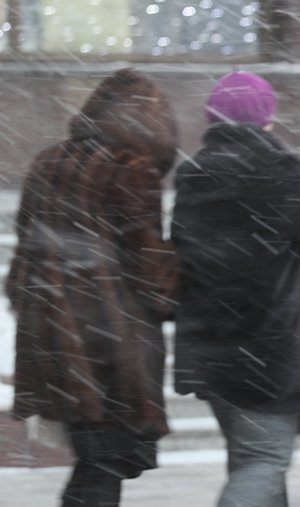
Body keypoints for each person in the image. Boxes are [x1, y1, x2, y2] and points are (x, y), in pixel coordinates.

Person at [5, 68, 179, 507]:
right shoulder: (132, 170)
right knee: (104, 464)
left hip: (50, 333)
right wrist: (175, 290)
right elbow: (147, 262)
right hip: (109, 343)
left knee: (94, 459)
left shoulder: (48, 160)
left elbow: (26, 246)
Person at [171, 71, 300, 507]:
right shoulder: (282, 169)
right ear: (268, 119)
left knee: (249, 461)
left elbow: (183, 254)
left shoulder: (193, 174)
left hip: (210, 345)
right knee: (263, 462)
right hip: (269, 349)